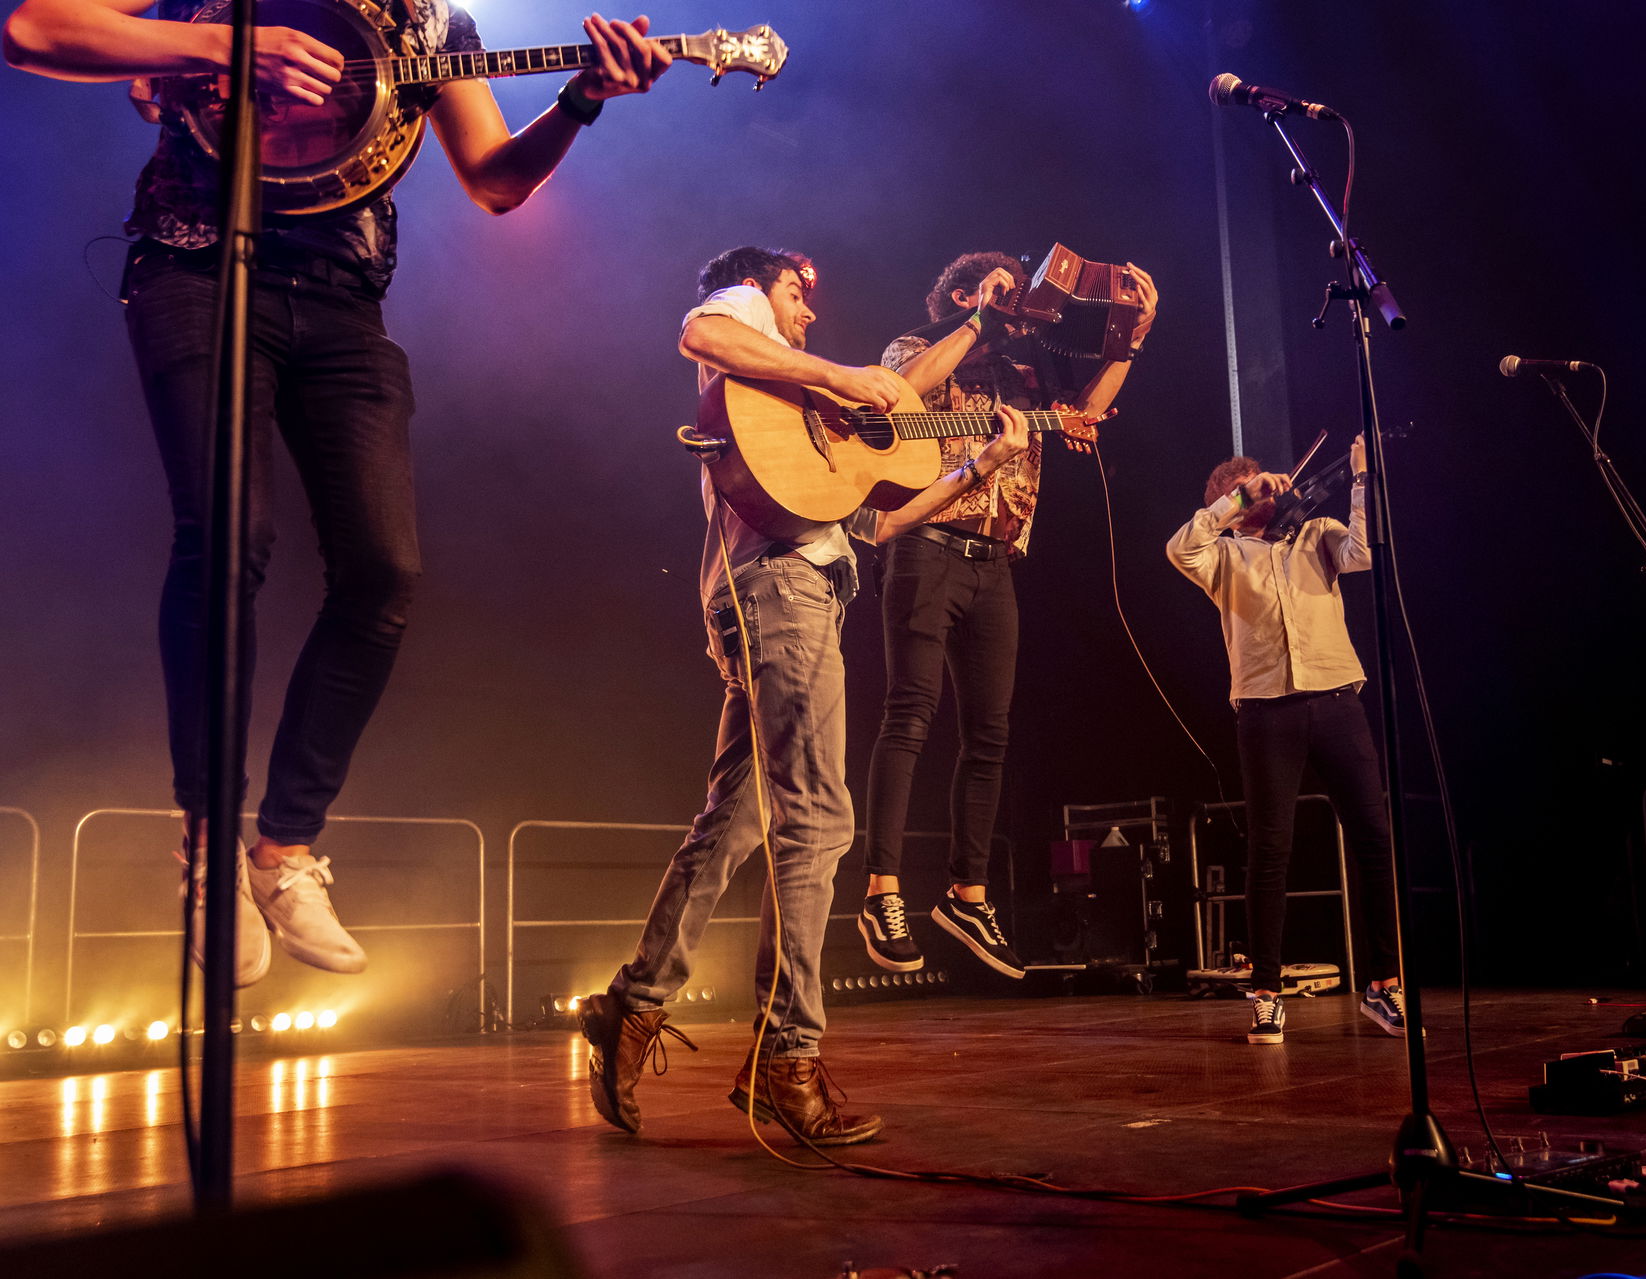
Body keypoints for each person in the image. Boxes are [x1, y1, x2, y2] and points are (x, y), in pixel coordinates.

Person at [2, 2, 675, 985]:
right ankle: (208, 848)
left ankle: (284, 849)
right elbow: (32, 30)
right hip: (197, 267)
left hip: (343, 300)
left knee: (384, 571)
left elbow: (492, 181)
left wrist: (581, 100)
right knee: (231, 538)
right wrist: (228, 43)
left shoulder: (438, 23)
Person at [580, 247, 1030, 1143]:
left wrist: (980, 465)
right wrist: (870, 367)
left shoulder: (801, 421)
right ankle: (786, 1055)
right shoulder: (743, 312)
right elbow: (700, 331)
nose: (808, 312)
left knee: (736, 819)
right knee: (821, 821)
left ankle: (631, 1005)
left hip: (790, 588)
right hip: (777, 591)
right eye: (796, 292)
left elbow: (881, 518)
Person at [854, 251, 1158, 979]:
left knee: (990, 732)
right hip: (924, 543)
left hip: (995, 560)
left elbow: (1082, 413)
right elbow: (900, 393)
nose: (1020, 303)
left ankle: (967, 893)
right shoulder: (915, 346)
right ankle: (882, 889)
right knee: (911, 714)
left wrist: (1133, 334)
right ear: (962, 293)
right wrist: (981, 316)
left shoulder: (1026, 375)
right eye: (1002, 291)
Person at [1166, 437, 1406, 1044]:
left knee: (1375, 838)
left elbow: (1365, 553)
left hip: (1335, 699)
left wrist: (1360, 478)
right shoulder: (1220, 556)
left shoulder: (1315, 532)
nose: (1269, 495)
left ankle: (1384, 984)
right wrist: (1238, 498)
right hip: (1266, 711)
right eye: (1250, 491)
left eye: (1266, 485)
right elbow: (1179, 545)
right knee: (1271, 852)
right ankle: (1267, 993)